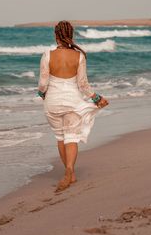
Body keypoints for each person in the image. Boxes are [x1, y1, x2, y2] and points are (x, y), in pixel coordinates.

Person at [37, 20, 109, 192]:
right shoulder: (79, 56)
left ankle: (70, 173)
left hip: (52, 102)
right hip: (73, 101)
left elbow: (42, 83)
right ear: (71, 35)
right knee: (71, 138)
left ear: (56, 35)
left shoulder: (47, 54)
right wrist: (96, 98)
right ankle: (70, 170)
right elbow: (83, 85)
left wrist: (42, 94)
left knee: (60, 137)